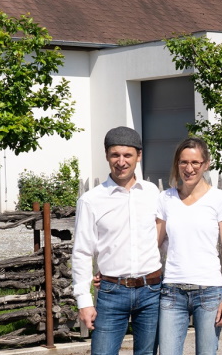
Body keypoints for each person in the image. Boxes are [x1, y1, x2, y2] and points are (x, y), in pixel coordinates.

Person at [72, 126, 165, 355]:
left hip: (151, 291)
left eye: (127, 155)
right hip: (112, 292)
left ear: (139, 156)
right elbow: (82, 252)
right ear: (106, 155)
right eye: (115, 155)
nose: (121, 161)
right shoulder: (91, 200)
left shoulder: (154, 194)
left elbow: (165, 241)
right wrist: (84, 301)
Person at [157, 137, 222, 355]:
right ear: (177, 164)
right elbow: (153, 244)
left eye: (195, 163)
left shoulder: (219, 199)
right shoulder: (166, 199)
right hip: (172, 291)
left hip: (209, 292)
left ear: (206, 164)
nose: (189, 168)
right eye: (183, 162)